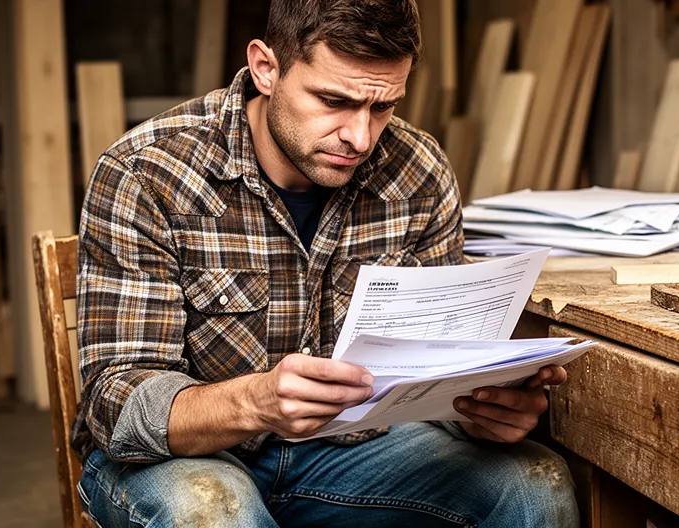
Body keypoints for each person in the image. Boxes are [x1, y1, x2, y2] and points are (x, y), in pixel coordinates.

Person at [73, 0, 578, 526]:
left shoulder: (419, 173)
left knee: (532, 484)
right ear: (266, 68)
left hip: (354, 454)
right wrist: (254, 401)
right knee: (214, 510)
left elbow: (438, 373)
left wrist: (480, 412)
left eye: (382, 107)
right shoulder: (148, 172)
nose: (360, 138)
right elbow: (117, 406)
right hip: (187, 462)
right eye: (333, 100)